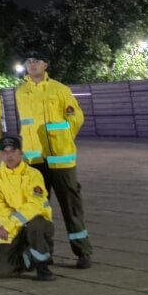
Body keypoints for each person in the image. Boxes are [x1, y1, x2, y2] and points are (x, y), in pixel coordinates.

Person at [16, 50, 91, 269]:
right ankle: (43, 253)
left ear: (46, 64)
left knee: (71, 208)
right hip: (34, 159)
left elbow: (76, 117)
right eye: (29, 61)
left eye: (37, 61)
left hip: (61, 158)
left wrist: (63, 135)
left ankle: (83, 251)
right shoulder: (21, 92)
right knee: (38, 208)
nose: (32, 64)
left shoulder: (60, 89)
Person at [0, 135, 56, 281]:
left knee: (36, 226)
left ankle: (42, 266)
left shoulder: (33, 174)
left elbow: (35, 204)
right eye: (5, 152)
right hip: (11, 226)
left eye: (13, 151)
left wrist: (9, 223)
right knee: (3, 272)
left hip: (34, 221)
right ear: (0, 155)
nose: (9, 156)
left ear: (21, 152)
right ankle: (25, 253)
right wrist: (8, 225)